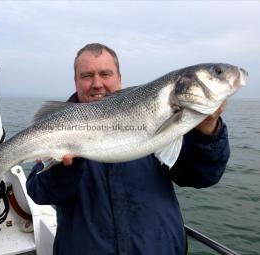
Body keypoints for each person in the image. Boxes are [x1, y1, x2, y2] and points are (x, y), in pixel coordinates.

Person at [26, 43, 230, 255]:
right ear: (76, 81)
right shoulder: (57, 129)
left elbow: (201, 177)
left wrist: (207, 129)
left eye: (105, 74)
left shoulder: (160, 120)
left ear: (119, 78)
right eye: (87, 76)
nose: (97, 83)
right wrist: (63, 168)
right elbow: (39, 192)